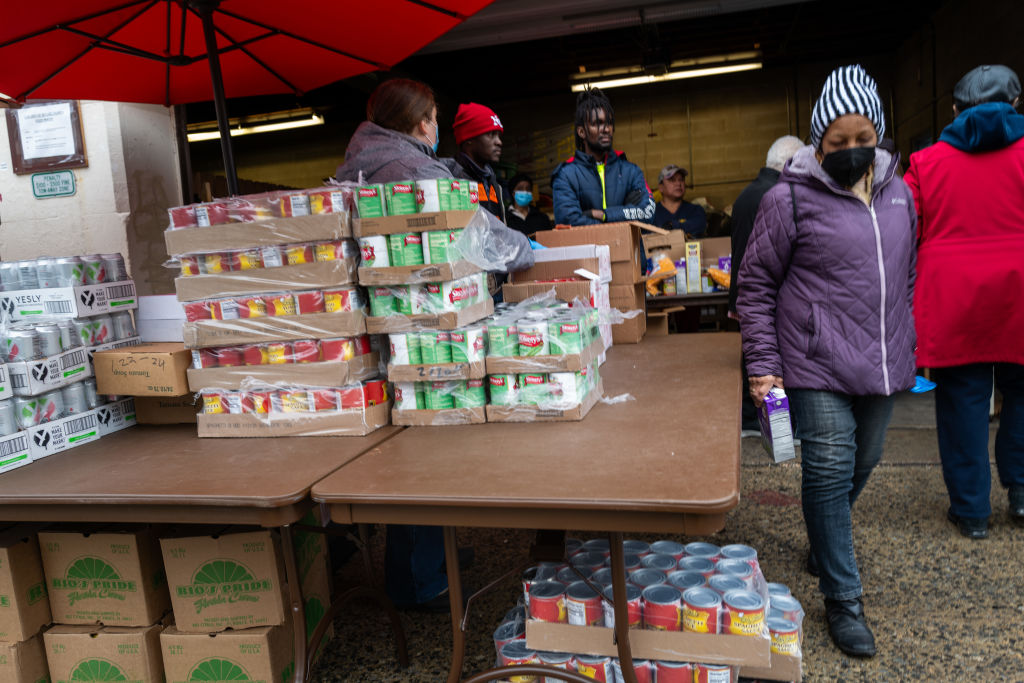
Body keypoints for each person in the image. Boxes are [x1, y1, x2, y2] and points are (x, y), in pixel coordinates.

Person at [737, 65, 916, 658]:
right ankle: (844, 601)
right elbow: (756, 285)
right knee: (830, 470)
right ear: (819, 143)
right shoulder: (788, 198)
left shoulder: (900, 193)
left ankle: (824, 537)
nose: (850, 152)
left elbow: (907, 274)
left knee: (863, 464)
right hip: (814, 362)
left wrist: (910, 337)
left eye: (861, 139)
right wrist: (764, 366)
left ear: (878, 134)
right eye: (837, 143)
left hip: (882, 361)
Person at [335, 78, 533, 611]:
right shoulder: (411, 169)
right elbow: (478, 234)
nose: (437, 126)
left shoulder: (362, 158)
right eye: (434, 116)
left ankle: (427, 559)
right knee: (425, 451)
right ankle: (420, 582)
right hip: (418, 322)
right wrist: (525, 249)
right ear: (420, 123)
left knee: (410, 452)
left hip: (384, 321)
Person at [904, 64, 1024, 539]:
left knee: (963, 403)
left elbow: (904, 231)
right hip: (1021, 295)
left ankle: (972, 512)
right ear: (1016, 107)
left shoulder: (925, 163)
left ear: (954, 111)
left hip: (955, 301)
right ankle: (1022, 491)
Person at [729, 136, 803, 435]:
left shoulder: (747, 194)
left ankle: (753, 420)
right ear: (789, 164)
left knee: (753, 357)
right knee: (771, 365)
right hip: (767, 294)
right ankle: (774, 427)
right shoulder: (778, 195)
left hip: (744, 292)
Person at [551, 87, 655, 226]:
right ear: (582, 132)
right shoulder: (566, 174)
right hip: (587, 248)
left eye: (609, 123)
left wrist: (603, 215)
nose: (606, 129)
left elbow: (647, 212)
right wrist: (623, 216)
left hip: (626, 248)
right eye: (597, 123)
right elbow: (568, 221)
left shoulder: (630, 171)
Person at [450, 102, 507, 222]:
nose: (499, 142)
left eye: (498, 136)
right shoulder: (450, 180)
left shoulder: (493, 182)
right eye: (491, 135)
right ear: (469, 139)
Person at [652, 165, 706, 236]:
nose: (678, 183)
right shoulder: (651, 214)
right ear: (661, 187)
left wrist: (671, 226)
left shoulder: (696, 210)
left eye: (681, 180)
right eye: (672, 180)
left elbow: (699, 226)